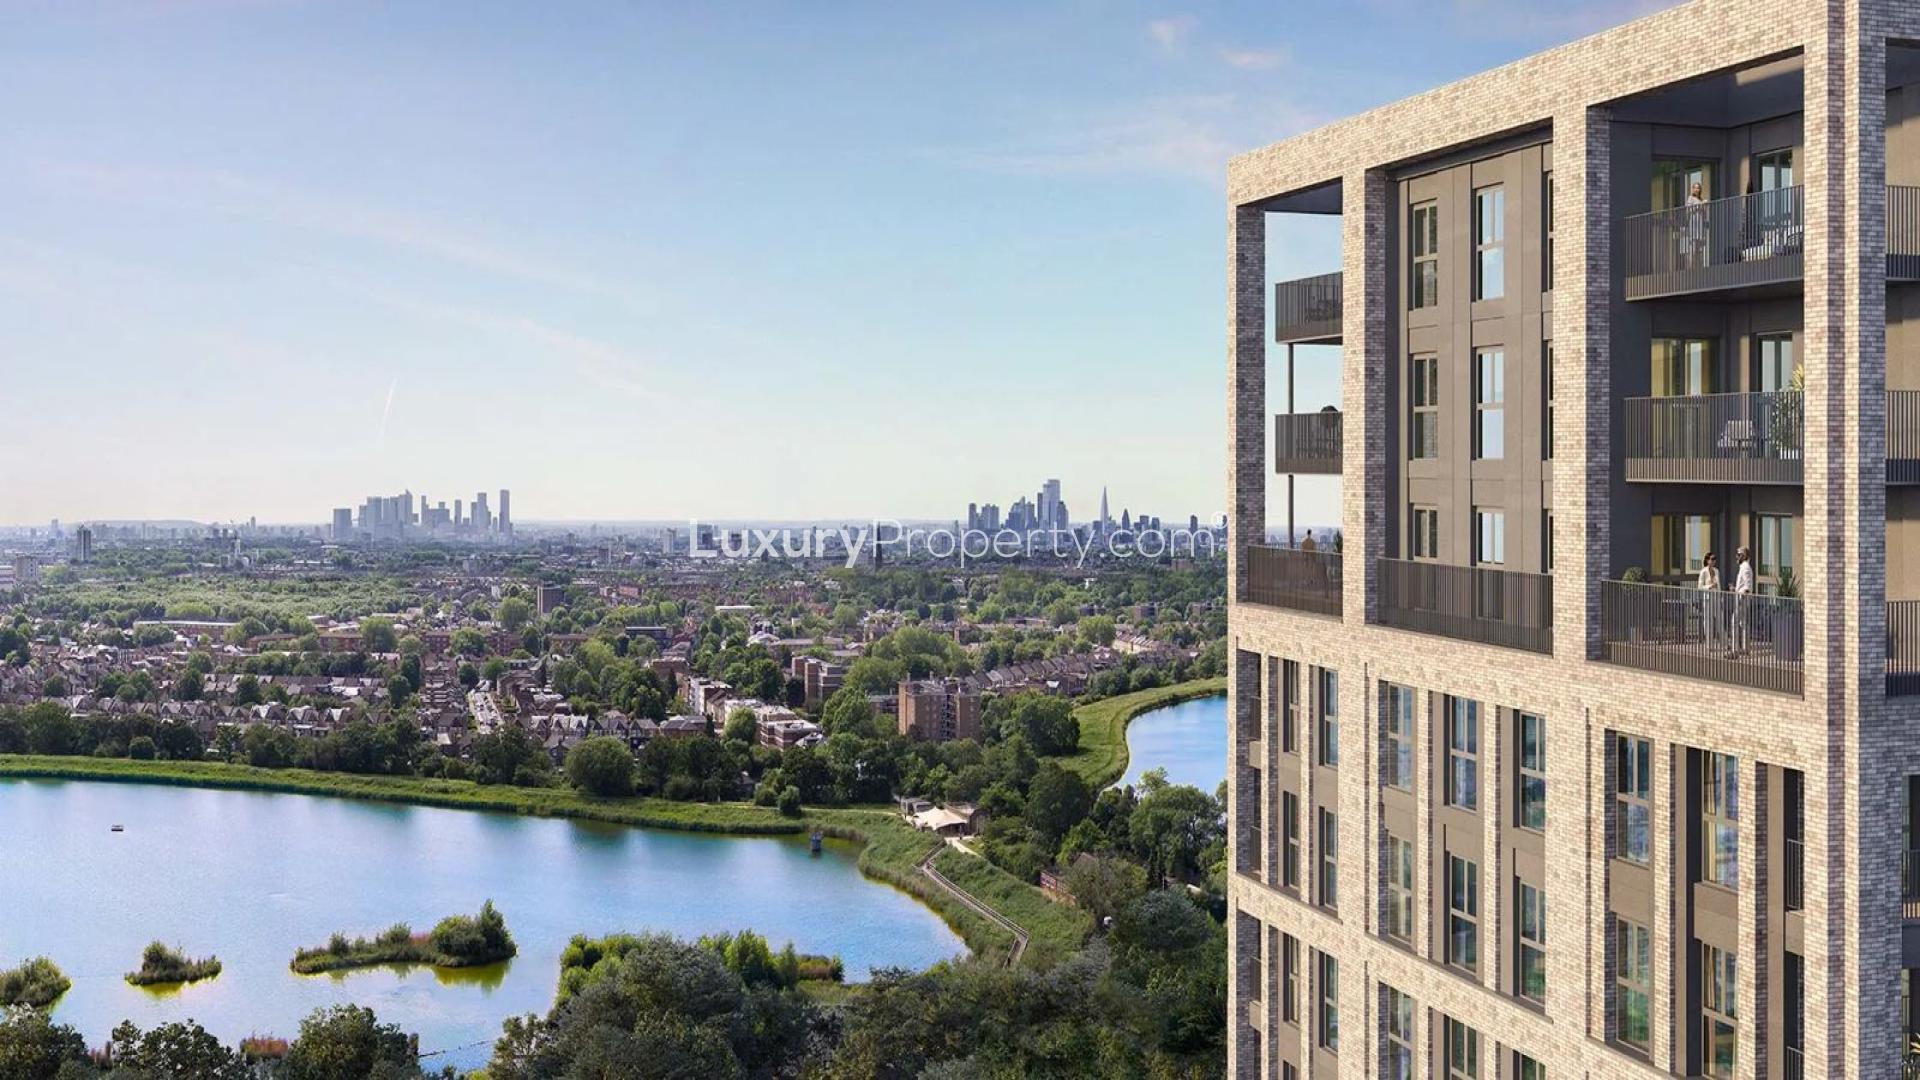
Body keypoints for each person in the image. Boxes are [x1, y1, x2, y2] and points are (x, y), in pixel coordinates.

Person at [1730, 546, 1755, 656]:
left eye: (1739, 554)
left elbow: (1748, 585)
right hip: (1741, 598)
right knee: (1743, 623)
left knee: (1735, 622)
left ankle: (1735, 650)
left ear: (1744, 556)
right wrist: (1735, 588)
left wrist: (1741, 594)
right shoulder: (1743, 567)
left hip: (1741, 599)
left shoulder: (1745, 568)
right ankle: (1745, 649)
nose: (1737, 556)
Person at [1698, 551, 1723, 651]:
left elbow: (1719, 585)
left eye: (1715, 559)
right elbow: (1699, 587)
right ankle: (1709, 645)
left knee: (1719, 620)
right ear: (1707, 560)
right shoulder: (1703, 572)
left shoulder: (1717, 571)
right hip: (1708, 598)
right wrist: (1709, 586)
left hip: (1716, 597)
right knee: (1708, 621)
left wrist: (1721, 597)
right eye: (1712, 559)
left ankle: (1723, 643)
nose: (1713, 561)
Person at [1685, 180, 1709, 269]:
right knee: (1693, 246)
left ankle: (1699, 266)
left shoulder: (1701, 199)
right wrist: (1700, 205)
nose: (1696, 189)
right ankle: (1691, 268)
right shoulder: (1691, 198)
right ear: (1693, 189)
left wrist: (1704, 205)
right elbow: (1689, 210)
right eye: (1695, 187)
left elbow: (1704, 214)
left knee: (1699, 247)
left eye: (1698, 188)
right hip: (1694, 223)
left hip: (1700, 224)